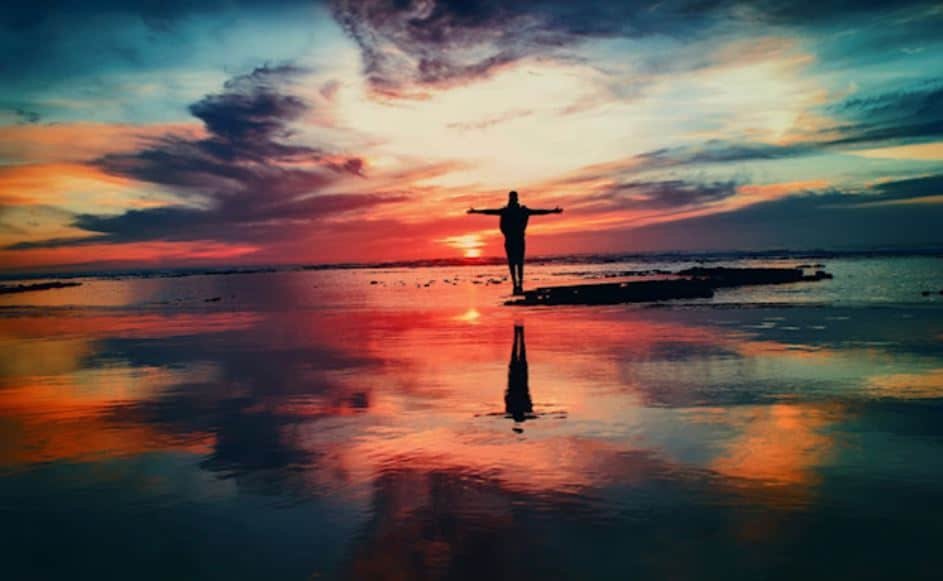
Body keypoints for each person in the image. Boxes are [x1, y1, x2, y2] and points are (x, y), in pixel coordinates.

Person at [467, 191, 563, 294]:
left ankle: (517, 283)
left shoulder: (514, 211)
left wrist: (553, 211)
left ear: (513, 199)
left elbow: (538, 212)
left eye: (512, 198)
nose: (512, 200)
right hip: (514, 239)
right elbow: (490, 211)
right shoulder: (514, 211)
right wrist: (476, 211)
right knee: (516, 262)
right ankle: (517, 283)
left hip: (515, 239)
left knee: (515, 262)